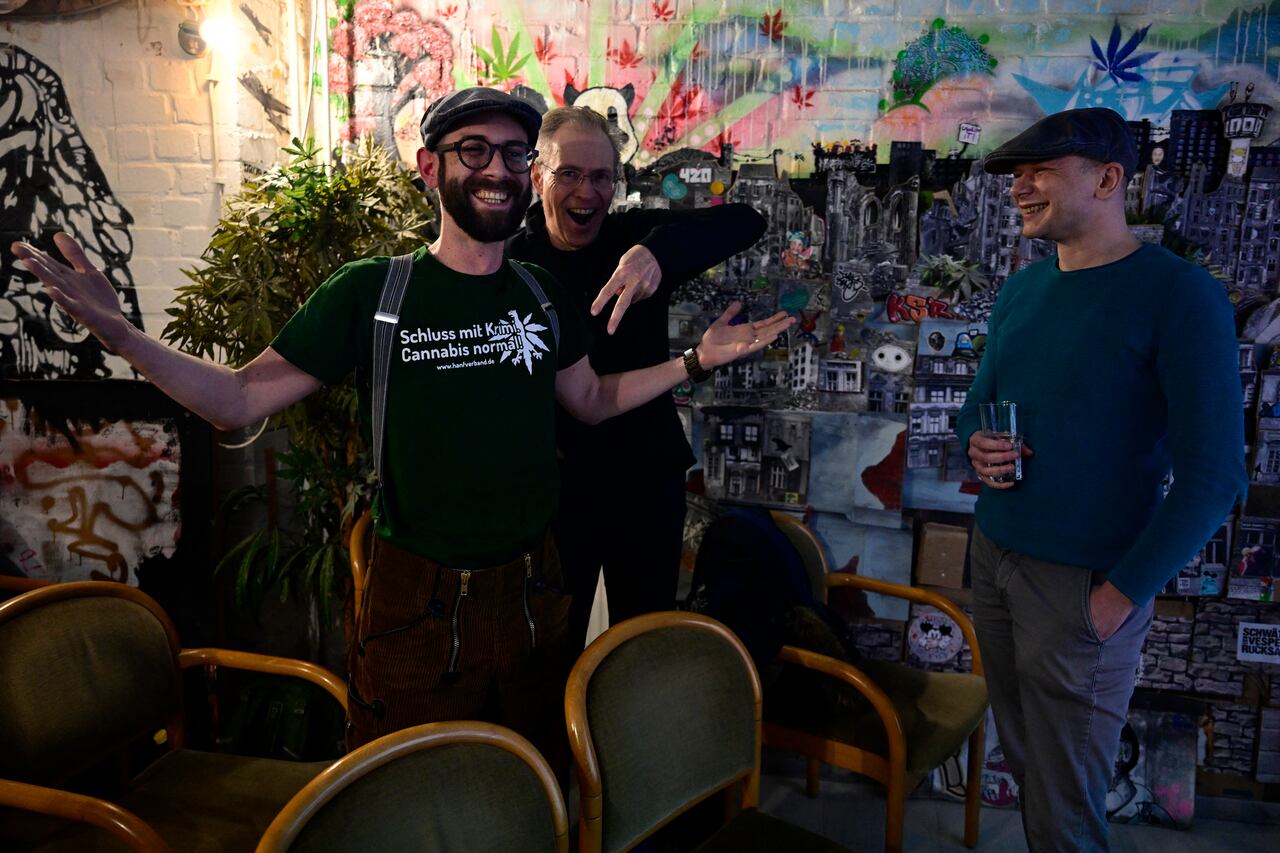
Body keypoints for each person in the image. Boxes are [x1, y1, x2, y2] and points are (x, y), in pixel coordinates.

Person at [9, 87, 793, 766]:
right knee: (408, 789)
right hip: (416, 606)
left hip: (533, 598)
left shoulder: (538, 292)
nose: (496, 168)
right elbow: (238, 399)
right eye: (473, 149)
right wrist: (125, 338)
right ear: (431, 168)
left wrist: (693, 359)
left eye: (513, 154)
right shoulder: (373, 293)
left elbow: (590, 398)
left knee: (529, 783)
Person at [956, 107, 1247, 852]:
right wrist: (976, 445)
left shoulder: (1179, 293)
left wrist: (1119, 597)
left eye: (1039, 170)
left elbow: (1215, 475)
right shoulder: (1023, 291)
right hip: (994, 559)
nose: (1019, 187)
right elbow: (973, 411)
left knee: (1067, 805)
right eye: (1015, 173)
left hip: (1084, 586)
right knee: (1030, 767)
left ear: (1110, 178)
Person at [507, 105, 768, 649]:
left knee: (643, 645)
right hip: (555, 494)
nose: (587, 192)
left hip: (646, 479)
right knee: (550, 644)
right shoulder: (512, 263)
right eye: (570, 174)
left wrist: (656, 252)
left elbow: (748, 220)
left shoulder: (633, 237)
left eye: (601, 176)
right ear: (537, 175)